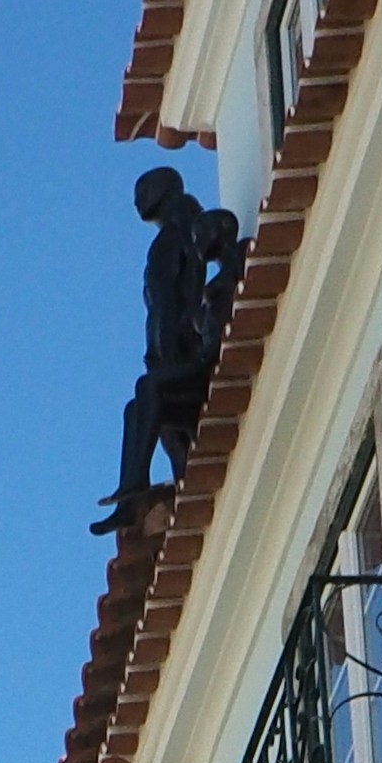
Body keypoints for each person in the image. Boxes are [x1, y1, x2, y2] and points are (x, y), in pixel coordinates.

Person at [99, 165, 242, 532]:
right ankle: (138, 491)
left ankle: (136, 489)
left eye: (143, 191)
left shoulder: (177, 237)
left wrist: (167, 352)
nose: (137, 201)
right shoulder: (179, 236)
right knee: (143, 409)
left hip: (187, 354)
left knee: (151, 394)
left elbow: (168, 303)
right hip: (179, 351)